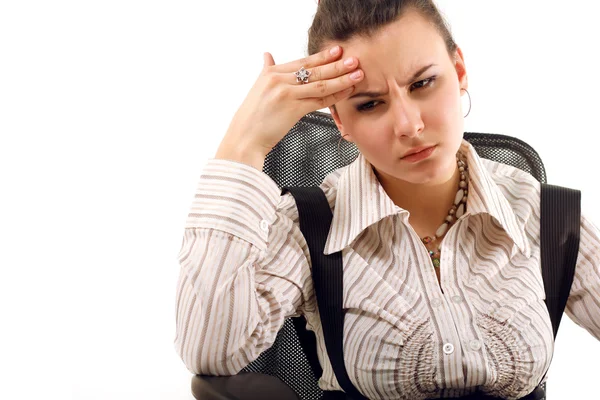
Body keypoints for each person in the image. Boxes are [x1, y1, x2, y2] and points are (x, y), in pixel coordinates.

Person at [174, 0, 600, 398]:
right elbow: (211, 350)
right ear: (339, 119)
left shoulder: (544, 215)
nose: (408, 125)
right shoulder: (309, 227)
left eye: (423, 83)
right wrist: (243, 146)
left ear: (460, 70)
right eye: (371, 104)